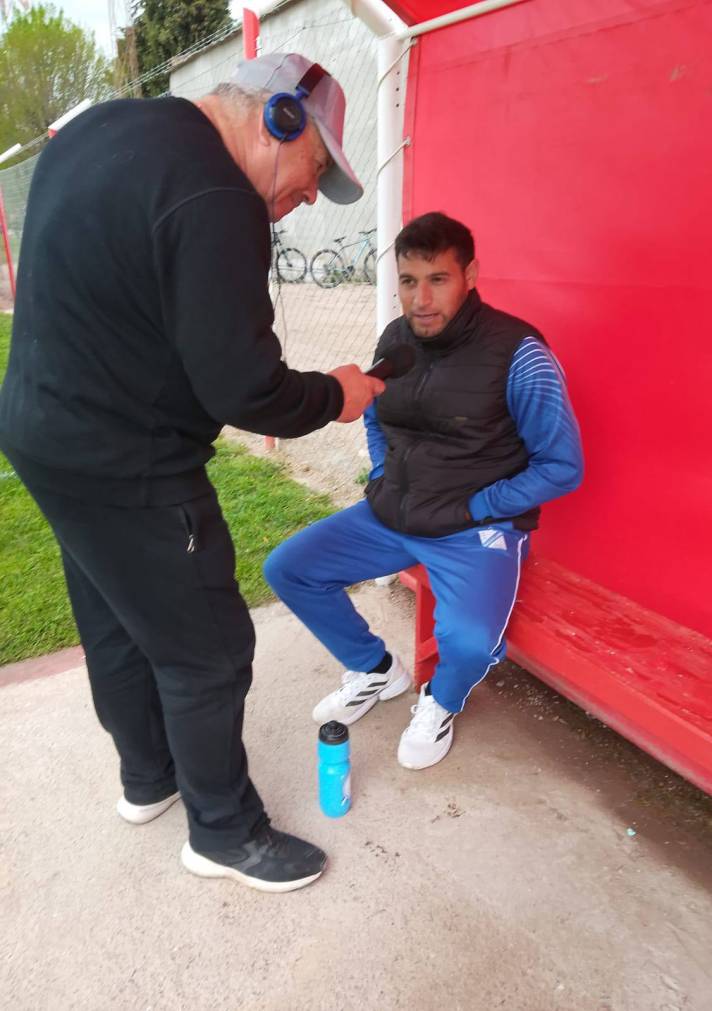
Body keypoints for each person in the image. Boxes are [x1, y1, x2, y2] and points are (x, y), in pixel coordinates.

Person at [0, 53, 384, 893]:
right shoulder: (216, 196)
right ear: (278, 119)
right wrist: (338, 394)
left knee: (116, 611)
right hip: (128, 459)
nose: (307, 196)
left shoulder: (101, 129)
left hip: (41, 431)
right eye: (314, 170)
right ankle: (224, 832)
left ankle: (149, 777)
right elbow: (246, 387)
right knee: (208, 646)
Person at [265, 212, 584, 771]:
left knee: (469, 642)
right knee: (289, 569)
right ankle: (375, 671)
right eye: (409, 281)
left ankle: (441, 700)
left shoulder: (519, 352)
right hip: (395, 513)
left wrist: (478, 507)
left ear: (470, 276)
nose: (421, 300)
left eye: (438, 279)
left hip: (472, 527)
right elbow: (374, 412)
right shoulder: (396, 337)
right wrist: (383, 474)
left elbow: (562, 467)